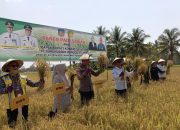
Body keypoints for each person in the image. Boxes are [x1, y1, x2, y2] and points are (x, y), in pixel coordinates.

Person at [0, 59, 44, 128]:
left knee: (25, 121)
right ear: (8, 67)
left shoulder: (23, 77)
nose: (15, 67)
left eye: (17, 65)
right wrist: (6, 90)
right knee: (12, 124)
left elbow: (33, 84)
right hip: (11, 105)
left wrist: (40, 82)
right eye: (13, 65)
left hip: (23, 103)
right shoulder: (3, 79)